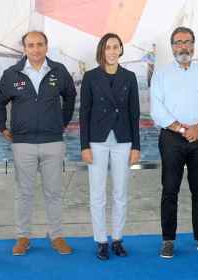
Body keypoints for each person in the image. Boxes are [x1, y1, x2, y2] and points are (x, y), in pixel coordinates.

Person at [0, 31, 77, 256]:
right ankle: (23, 237)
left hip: (53, 141)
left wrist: (63, 121)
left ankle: (57, 235)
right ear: (25, 48)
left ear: (47, 46)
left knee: (54, 192)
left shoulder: (59, 71)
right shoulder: (12, 74)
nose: (36, 49)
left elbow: (70, 96)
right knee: (24, 192)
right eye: (31, 45)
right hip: (23, 143)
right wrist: (3, 127)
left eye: (40, 44)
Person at [150, 26, 198, 259]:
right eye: (178, 42)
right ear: (172, 47)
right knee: (169, 190)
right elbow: (157, 109)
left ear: (193, 45)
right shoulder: (161, 75)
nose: (183, 46)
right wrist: (182, 129)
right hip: (172, 138)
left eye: (187, 42)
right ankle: (168, 240)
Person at [79, 33, 141, 260]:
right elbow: (83, 113)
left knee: (120, 193)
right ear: (102, 51)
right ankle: (101, 241)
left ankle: (117, 238)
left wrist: (136, 146)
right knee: (97, 193)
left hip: (123, 140)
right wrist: (84, 145)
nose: (112, 51)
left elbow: (134, 114)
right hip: (97, 140)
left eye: (116, 47)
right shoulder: (90, 77)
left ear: (121, 50)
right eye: (108, 47)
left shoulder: (130, 77)